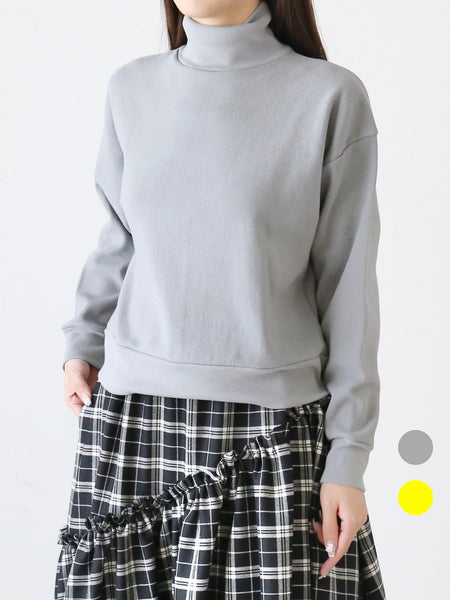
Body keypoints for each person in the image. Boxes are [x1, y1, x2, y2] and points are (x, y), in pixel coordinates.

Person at [55, 1, 387, 598]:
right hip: (132, 423)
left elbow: (349, 285)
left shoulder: (329, 96)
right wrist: (83, 343)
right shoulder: (131, 89)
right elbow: (121, 237)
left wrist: (349, 456)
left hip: (269, 434)